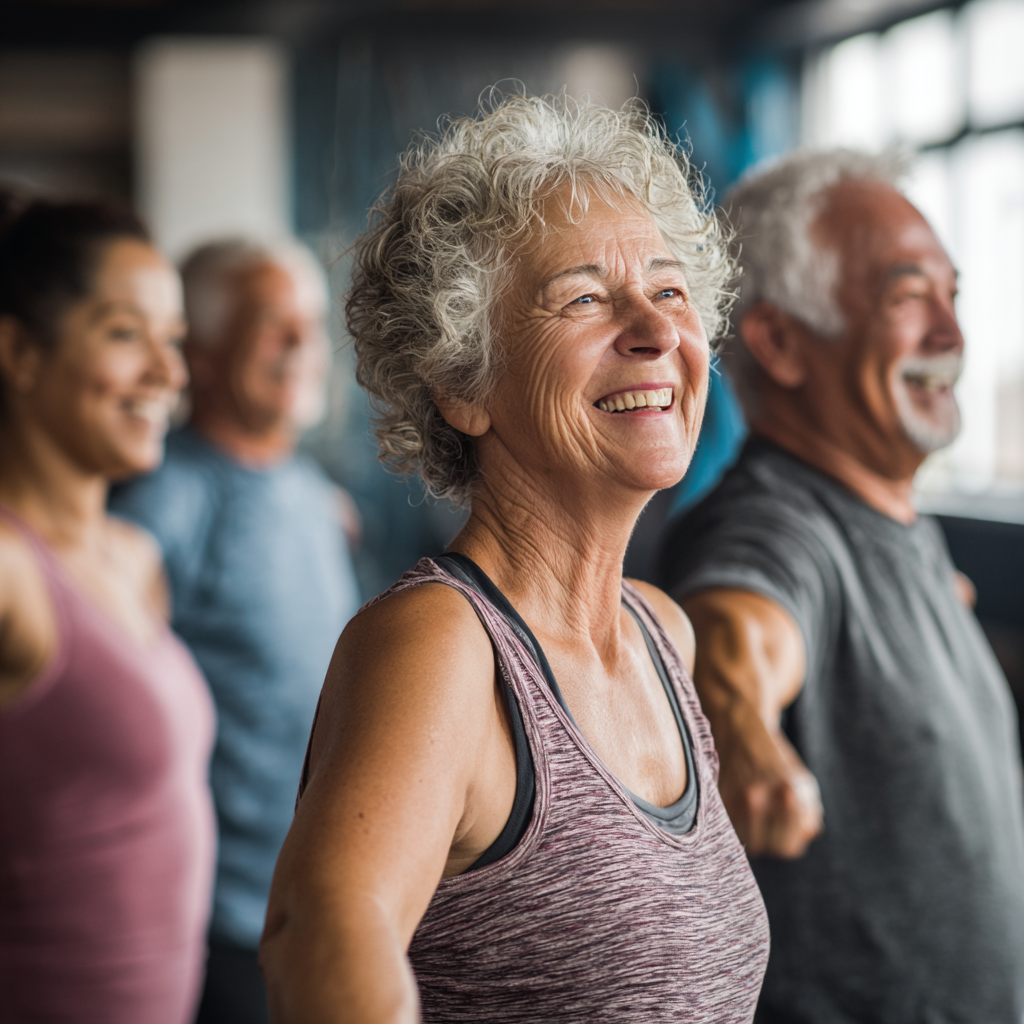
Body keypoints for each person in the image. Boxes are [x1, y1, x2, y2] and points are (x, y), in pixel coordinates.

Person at [259, 95, 770, 1024]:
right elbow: (320, 932)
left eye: (668, 290)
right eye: (583, 298)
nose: (656, 332)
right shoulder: (441, 648)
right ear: (463, 382)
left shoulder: (664, 635)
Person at [659, 149, 1024, 1022]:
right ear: (780, 343)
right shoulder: (770, 525)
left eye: (953, 295)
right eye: (907, 298)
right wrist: (742, 733)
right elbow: (732, 630)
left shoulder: (894, 517)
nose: (952, 334)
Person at [110, 237, 360, 1024]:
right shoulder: (169, 495)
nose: (300, 347)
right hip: (224, 926)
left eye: (310, 324)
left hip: (318, 904)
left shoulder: (313, 494)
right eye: (269, 325)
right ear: (203, 354)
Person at [0, 193, 215, 1023]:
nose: (168, 376)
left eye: (171, 342)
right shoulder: (13, 575)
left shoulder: (134, 561)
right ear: (18, 351)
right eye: (126, 336)